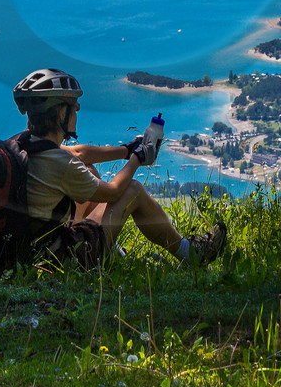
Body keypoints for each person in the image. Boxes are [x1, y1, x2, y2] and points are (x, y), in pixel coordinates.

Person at [13, 68, 227, 268]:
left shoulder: (24, 144)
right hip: (62, 258)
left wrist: (126, 150)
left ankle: (113, 253)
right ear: (61, 114)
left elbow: (79, 154)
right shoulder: (60, 164)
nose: (77, 114)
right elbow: (114, 191)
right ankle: (191, 254)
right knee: (132, 190)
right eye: (74, 109)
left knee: (89, 170)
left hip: (33, 247)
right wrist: (137, 158)